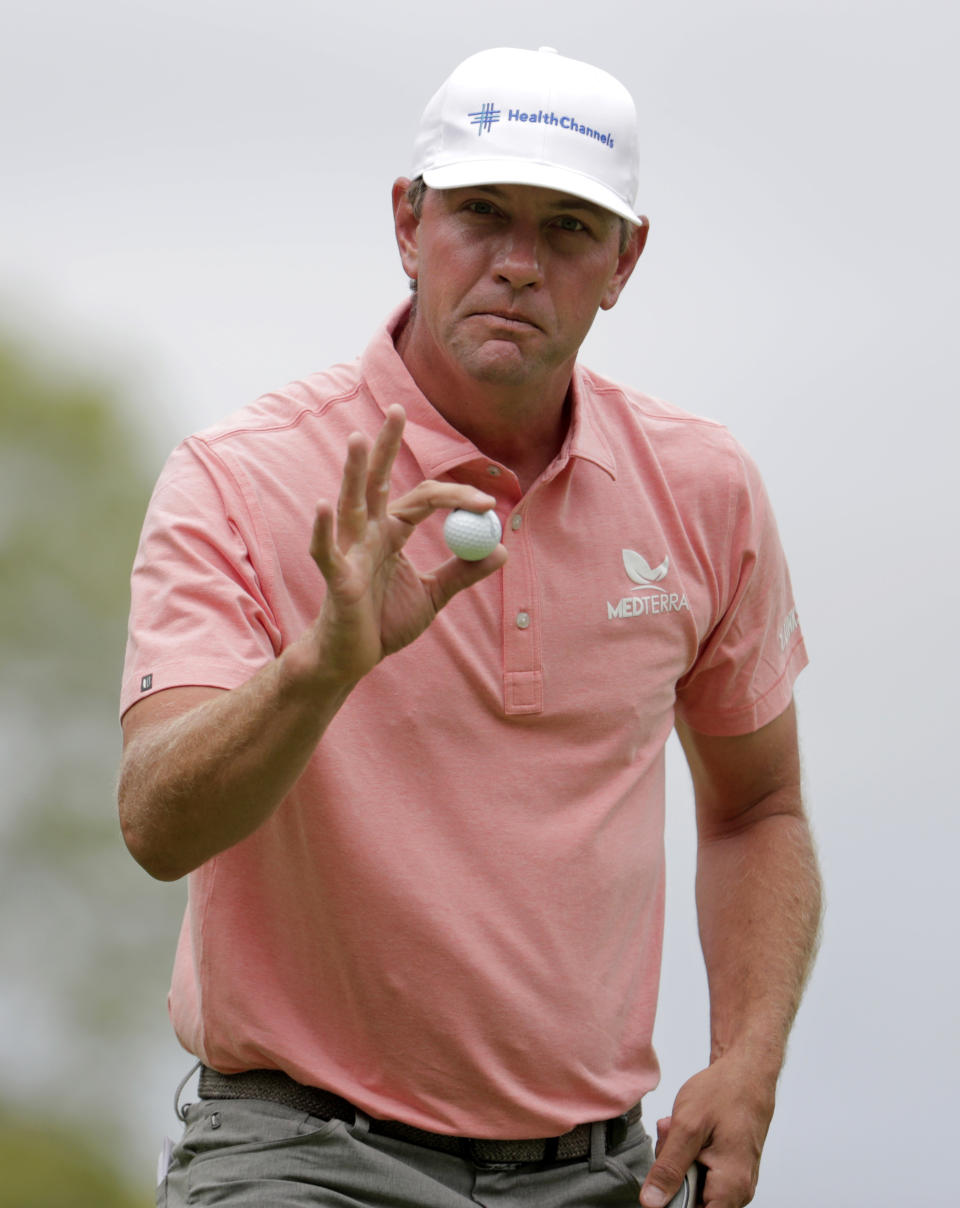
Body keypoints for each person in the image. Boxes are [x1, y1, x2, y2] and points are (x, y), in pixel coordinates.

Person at [119, 46, 821, 1208]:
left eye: (567, 230)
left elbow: (759, 806)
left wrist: (750, 1060)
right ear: (409, 222)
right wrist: (323, 666)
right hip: (301, 1158)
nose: (517, 264)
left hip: (602, 1168)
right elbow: (156, 822)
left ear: (624, 260)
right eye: (482, 214)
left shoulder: (705, 489)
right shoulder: (237, 479)